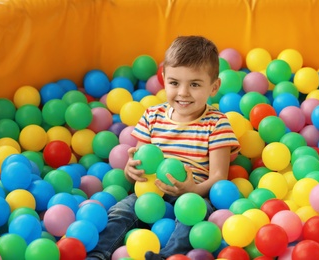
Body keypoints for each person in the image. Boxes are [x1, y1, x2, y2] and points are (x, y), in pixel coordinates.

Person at [86, 35, 241, 260]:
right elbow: (140, 162)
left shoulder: (217, 123)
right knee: (120, 211)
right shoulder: (152, 116)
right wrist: (132, 170)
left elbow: (219, 175)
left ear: (214, 87)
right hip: (151, 193)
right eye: (174, 83)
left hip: (193, 194)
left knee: (194, 220)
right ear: (164, 79)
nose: (183, 93)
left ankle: (169, 256)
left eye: (195, 84)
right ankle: (98, 254)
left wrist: (192, 190)